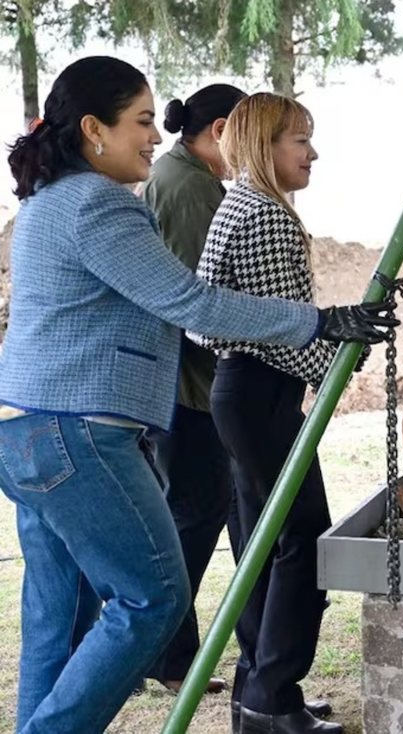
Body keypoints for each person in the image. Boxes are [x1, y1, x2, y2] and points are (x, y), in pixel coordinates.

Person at [0, 56, 396, 734]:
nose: (158, 136)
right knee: (152, 602)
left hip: (25, 429)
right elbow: (190, 301)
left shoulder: (46, 201)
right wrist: (318, 321)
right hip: (81, 434)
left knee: (58, 611)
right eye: (144, 122)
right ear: (93, 129)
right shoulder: (99, 204)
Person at [191, 92, 360, 734]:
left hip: (240, 390)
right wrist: (340, 355)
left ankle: (256, 687)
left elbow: (228, 326)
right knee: (300, 541)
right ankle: (272, 695)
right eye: (300, 141)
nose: (312, 153)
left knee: (262, 544)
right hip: (261, 390)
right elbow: (279, 332)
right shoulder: (267, 216)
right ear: (265, 147)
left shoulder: (240, 204)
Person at [137, 82, 246, 697]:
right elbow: (190, 303)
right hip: (189, 389)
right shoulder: (187, 187)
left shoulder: (192, 178)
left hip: (197, 386)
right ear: (224, 129)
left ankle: (185, 652)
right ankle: (168, 654)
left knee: (219, 512)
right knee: (194, 514)